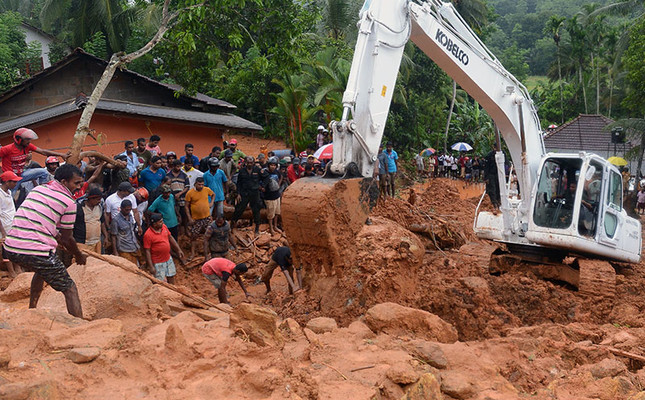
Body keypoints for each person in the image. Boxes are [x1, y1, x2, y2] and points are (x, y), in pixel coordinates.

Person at [3, 164, 87, 318]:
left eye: (80, 183)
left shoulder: (38, 190)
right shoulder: (69, 203)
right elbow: (68, 239)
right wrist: (78, 255)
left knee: (41, 270)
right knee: (70, 288)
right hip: (34, 250)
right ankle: (79, 327)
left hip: (11, 247)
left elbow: (39, 220)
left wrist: (56, 237)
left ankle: (32, 309)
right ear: (63, 182)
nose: (79, 187)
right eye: (76, 183)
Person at [0, 128, 69, 193]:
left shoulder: (28, 146)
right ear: (19, 139)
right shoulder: (7, 149)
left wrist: (61, 154)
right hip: (11, 179)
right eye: (27, 139)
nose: (29, 141)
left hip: (21, 175)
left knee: (43, 172)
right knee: (9, 197)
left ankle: (43, 192)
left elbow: (43, 151)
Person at [144, 213, 184, 284]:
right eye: (160, 222)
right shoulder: (148, 235)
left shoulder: (164, 227)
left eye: (162, 221)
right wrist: (151, 266)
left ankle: (172, 290)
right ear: (154, 224)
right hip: (158, 262)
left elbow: (170, 238)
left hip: (168, 258)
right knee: (159, 281)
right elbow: (147, 251)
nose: (162, 223)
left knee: (171, 275)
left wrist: (178, 250)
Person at [185, 177, 214, 260]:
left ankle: (210, 251)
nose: (201, 186)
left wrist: (211, 202)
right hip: (196, 219)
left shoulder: (206, 189)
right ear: (195, 184)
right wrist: (189, 218)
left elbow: (213, 194)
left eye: (202, 184)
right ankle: (192, 253)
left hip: (207, 217)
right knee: (194, 236)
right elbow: (186, 207)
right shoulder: (190, 193)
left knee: (210, 234)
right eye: (199, 184)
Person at [232, 156, 262, 234]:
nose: (249, 164)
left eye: (251, 163)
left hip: (254, 193)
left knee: (256, 210)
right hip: (244, 193)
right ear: (245, 163)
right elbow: (238, 183)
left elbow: (266, 177)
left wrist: (262, 186)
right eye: (248, 163)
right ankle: (232, 224)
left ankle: (257, 228)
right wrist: (238, 193)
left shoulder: (257, 170)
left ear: (253, 163)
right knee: (239, 209)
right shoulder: (242, 171)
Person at [73, 187, 108, 254]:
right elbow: (72, 225)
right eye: (98, 199)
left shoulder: (99, 207)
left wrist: (106, 237)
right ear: (91, 199)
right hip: (83, 243)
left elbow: (102, 223)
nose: (99, 201)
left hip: (97, 242)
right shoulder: (79, 208)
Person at [0, 171, 22, 277]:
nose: (15, 184)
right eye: (13, 182)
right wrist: (3, 232)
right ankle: (11, 271)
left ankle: (17, 267)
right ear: (7, 182)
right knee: (7, 248)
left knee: (16, 246)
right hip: (5, 226)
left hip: (13, 224)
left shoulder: (8, 193)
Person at [111, 199, 143, 266]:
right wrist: (115, 251)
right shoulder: (116, 220)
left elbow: (132, 231)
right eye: (126, 210)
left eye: (129, 209)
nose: (128, 211)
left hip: (133, 246)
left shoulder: (131, 216)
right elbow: (113, 236)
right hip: (124, 248)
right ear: (121, 208)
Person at [262, 157, 282, 234]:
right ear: (268, 165)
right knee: (270, 213)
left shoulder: (277, 172)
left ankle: (275, 226)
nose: (273, 166)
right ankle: (271, 228)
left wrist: (278, 184)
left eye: (274, 165)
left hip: (276, 194)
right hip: (269, 196)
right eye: (271, 165)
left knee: (277, 212)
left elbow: (281, 177)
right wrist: (262, 188)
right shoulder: (264, 172)